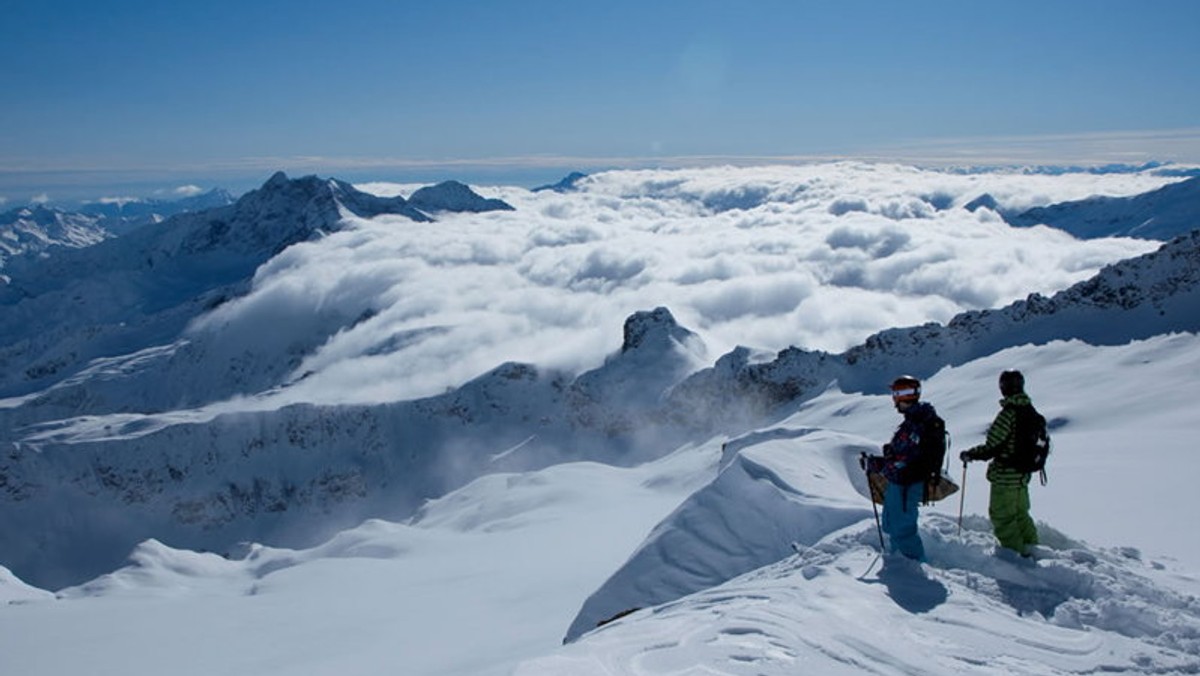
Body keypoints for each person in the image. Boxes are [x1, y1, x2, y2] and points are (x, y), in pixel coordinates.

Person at [864, 375, 945, 561]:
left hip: (907, 483)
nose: (895, 399)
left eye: (897, 393)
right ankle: (898, 565)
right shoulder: (914, 420)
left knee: (902, 529)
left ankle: (913, 570)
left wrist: (877, 464)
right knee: (892, 524)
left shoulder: (918, 423)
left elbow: (904, 461)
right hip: (900, 483)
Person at [960, 369, 1039, 557]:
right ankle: (1033, 549)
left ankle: (1016, 557)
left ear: (1003, 388)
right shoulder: (1030, 410)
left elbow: (992, 446)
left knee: (1003, 517)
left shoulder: (1008, 413)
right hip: (1022, 476)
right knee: (1021, 515)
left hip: (1005, 476)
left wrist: (970, 454)